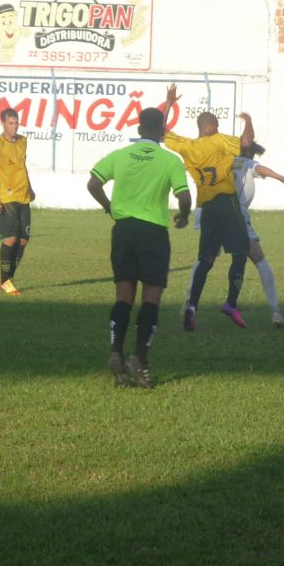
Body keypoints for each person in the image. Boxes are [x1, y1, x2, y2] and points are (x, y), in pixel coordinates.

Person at [87, 106, 192, 389]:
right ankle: (139, 359)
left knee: (123, 296)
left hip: (124, 231)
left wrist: (109, 207)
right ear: (162, 131)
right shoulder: (170, 160)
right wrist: (184, 215)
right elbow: (184, 197)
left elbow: (93, 183)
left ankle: (116, 352)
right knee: (150, 298)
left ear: (138, 129)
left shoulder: (120, 155)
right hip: (153, 233)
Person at [162, 83, 253, 331]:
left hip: (207, 208)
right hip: (227, 202)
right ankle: (231, 303)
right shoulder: (218, 140)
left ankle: (192, 306)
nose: (218, 129)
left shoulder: (187, 147)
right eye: (217, 125)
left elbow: (161, 131)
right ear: (211, 127)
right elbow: (246, 141)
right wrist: (248, 121)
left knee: (206, 259)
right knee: (241, 252)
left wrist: (168, 104)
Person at [183, 141, 284, 326]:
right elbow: (260, 168)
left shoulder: (222, 160)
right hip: (236, 216)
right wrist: (281, 177)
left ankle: (190, 304)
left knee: (205, 259)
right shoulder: (247, 163)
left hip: (212, 212)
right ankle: (275, 312)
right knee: (259, 260)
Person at [0, 108, 36, 296]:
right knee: (11, 238)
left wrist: (30, 188)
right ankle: (5, 282)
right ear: (3, 124)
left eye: (16, 123)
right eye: (11, 123)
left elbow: (23, 166)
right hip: (7, 198)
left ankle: (8, 279)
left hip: (24, 196)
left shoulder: (23, 141)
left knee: (23, 240)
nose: (14, 127)